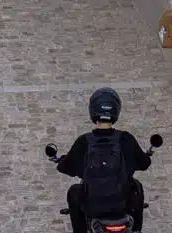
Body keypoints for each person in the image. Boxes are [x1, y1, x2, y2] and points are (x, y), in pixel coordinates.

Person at [55, 88, 152, 233]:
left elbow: (67, 167)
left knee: (73, 192)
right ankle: (136, 229)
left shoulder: (84, 142)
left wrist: (61, 161)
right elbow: (144, 164)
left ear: (92, 110)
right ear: (116, 111)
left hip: (93, 206)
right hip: (122, 204)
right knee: (136, 186)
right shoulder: (126, 139)